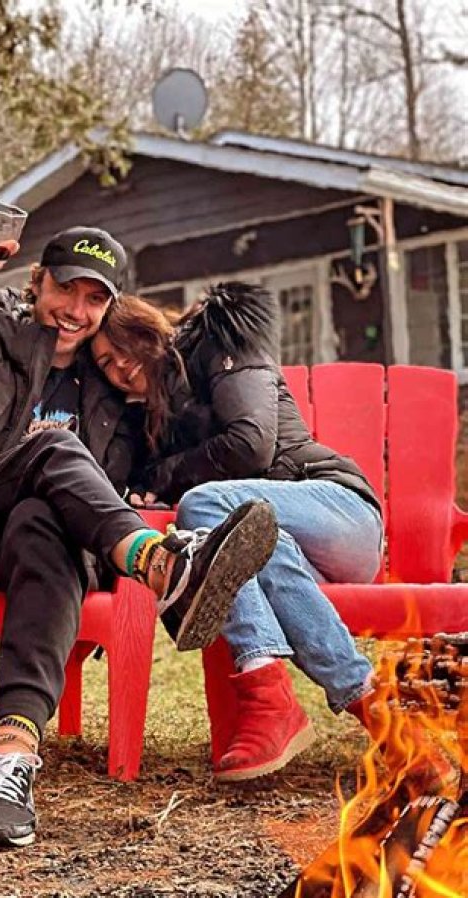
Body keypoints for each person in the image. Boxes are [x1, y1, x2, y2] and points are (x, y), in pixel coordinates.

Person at [0, 221, 279, 848]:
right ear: (37, 281)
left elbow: (175, 436)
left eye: (94, 298)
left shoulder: (111, 396)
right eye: (65, 289)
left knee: (43, 522)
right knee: (53, 448)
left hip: (15, 554)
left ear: (110, 307)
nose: (76, 310)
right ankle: (160, 566)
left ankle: (11, 760)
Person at [93, 288, 385, 782]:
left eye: (122, 346)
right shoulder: (151, 423)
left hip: (339, 510)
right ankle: (374, 707)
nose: (119, 365)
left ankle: (265, 692)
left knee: (203, 506)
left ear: (146, 328)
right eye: (104, 363)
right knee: (240, 551)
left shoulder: (220, 342)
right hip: (284, 545)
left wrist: (163, 477)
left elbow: (251, 443)